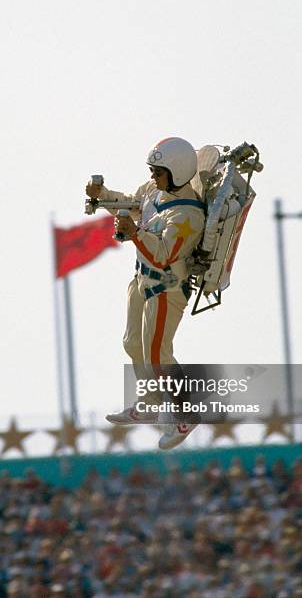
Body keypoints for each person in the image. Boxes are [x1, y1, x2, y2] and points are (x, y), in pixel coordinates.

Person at [86, 137, 205, 450]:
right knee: (132, 343)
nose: (153, 177)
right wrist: (103, 197)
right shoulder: (155, 191)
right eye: (152, 170)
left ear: (176, 172)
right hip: (142, 279)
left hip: (166, 287)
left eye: (158, 171)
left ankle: (185, 413)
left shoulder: (187, 215)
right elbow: (131, 203)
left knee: (158, 356)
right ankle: (150, 404)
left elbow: (165, 254)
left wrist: (134, 232)